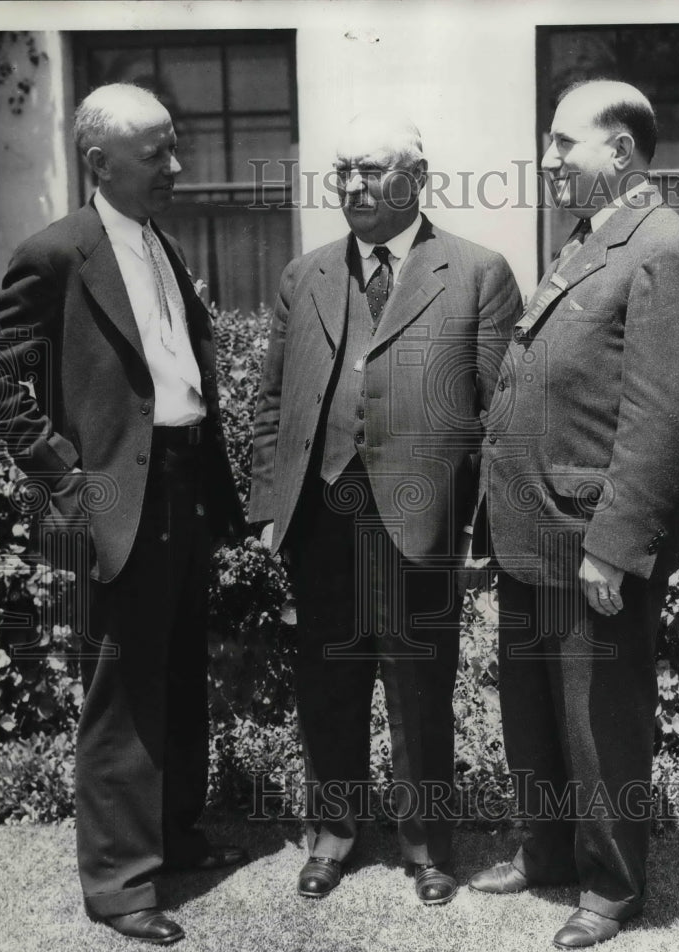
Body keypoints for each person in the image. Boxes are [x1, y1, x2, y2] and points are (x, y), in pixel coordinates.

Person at [0, 83, 246, 945]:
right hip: (114, 500)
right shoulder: (54, 253)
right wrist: (66, 481)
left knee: (176, 671)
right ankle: (119, 885)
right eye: (158, 154)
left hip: (181, 488)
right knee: (123, 691)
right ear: (99, 163)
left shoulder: (159, 245)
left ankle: (173, 835)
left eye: (177, 147)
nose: (177, 166)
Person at [468, 80, 679, 947]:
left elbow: (667, 419)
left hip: (590, 541)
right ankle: (546, 852)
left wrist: (614, 548)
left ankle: (611, 885)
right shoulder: (594, 239)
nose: (545, 161)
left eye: (561, 143)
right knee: (534, 711)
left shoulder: (666, 250)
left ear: (618, 150)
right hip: (534, 530)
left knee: (599, 718)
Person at [249, 111, 522, 905]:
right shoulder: (306, 276)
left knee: (419, 685)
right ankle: (330, 835)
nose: (354, 185)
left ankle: (429, 847)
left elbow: (500, 419)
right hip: (320, 521)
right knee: (328, 683)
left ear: (417, 178)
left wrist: (477, 534)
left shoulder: (476, 272)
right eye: (343, 171)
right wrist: (271, 504)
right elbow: (272, 403)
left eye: (371, 169)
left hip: (422, 522)